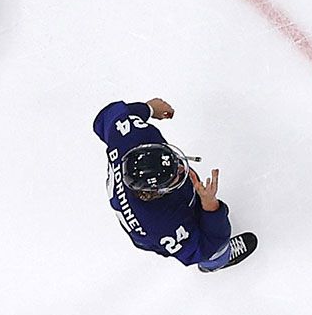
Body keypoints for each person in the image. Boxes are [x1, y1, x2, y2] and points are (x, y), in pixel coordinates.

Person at [92, 98, 257, 270]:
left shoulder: (131, 138)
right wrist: (211, 207)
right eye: (174, 176)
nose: (180, 168)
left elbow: (108, 117)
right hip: (157, 228)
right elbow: (205, 247)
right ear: (156, 192)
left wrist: (148, 109)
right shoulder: (161, 226)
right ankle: (216, 262)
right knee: (215, 251)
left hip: (166, 206)